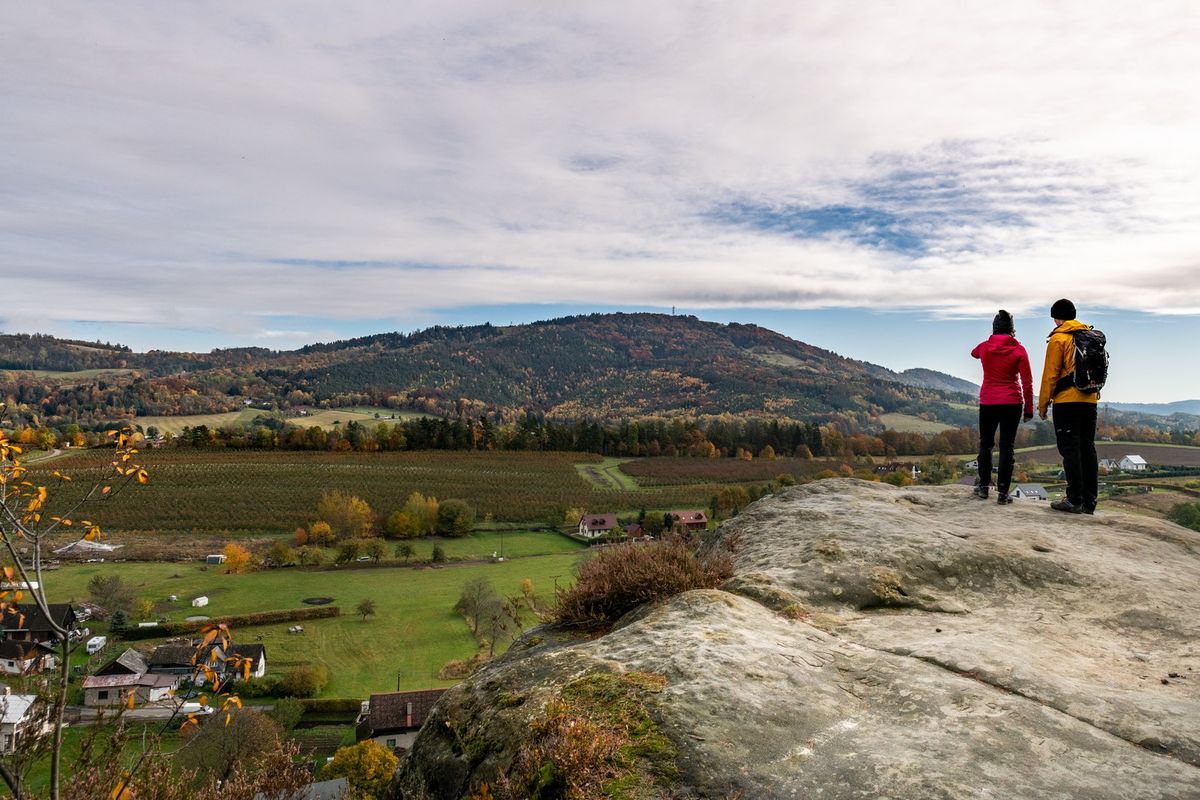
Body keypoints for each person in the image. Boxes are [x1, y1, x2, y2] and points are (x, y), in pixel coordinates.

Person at [1038, 298, 1098, 514]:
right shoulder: (1088, 336)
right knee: (1087, 448)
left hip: (1066, 403)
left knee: (1070, 449)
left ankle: (1074, 499)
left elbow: (1050, 375)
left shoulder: (1059, 339)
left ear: (1057, 318)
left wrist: (1043, 404)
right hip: (1090, 400)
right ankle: (1090, 501)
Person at [971, 310, 1033, 503]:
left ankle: (983, 487)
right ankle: (1003, 493)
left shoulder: (985, 347)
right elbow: (1027, 382)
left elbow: (973, 353)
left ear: (994, 327)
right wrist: (1029, 409)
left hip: (988, 401)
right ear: (1012, 330)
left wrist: (990, 342)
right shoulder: (1019, 350)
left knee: (986, 444)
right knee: (1007, 447)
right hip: (1012, 402)